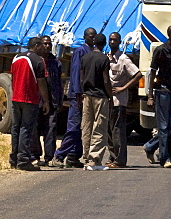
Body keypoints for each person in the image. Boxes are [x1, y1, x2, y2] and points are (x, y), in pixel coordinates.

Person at [143, 25, 171, 168]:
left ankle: (150, 146)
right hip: (162, 91)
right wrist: (150, 95)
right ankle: (164, 159)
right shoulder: (161, 50)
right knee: (163, 126)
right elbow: (153, 73)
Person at [54, 27, 95, 168]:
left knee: (81, 127)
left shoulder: (92, 51)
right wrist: (78, 93)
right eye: (90, 36)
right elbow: (76, 72)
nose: (93, 38)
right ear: (85, 37)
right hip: (77, 95)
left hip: (88, 95)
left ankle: (73, 156)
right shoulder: (80, 51)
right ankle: (59, 155)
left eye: (94, 36)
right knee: (73, 126)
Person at [9, 37, 50, 171]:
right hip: (29, 99)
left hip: (16, 98)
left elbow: (12, 77)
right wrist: (46, 101)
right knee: (26, 129)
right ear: (37, 46)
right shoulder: (38, 60)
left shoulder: (16, 58)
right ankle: (23, 160)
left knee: (16, 128)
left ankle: (14, 159)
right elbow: (41, 82)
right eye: (41, 46)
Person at [107, 32, 141, 168]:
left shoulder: (123, 59)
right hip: (109, 100)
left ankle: (120, 160)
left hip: (119, 100)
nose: (112, 42)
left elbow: (138, 74)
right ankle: (112, 157)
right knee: (109, 131)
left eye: (115, 40)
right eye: (110, 39)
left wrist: (123, 88)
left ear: (119, 42)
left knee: (118, 131)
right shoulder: (107, 57)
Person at [79, 36, 113, 170]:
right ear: (105, 44)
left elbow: (81, 78)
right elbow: (106, 80)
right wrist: (110, 96)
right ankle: (95, 160)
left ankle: (86, 157)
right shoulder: (104, 59)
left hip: (87, 95)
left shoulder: (85, 58)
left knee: (86, 126)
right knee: (99, 127)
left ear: (94, 43)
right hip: (100, 96)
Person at [31, 35, 62, 167]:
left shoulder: (56, 62)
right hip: (36, 101)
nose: (47, 46)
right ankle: (35, 156)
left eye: (49, 44)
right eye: (45, 44)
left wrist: (59, 100)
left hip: (52, 101)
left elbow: (58, 83)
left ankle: (49, 157)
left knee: (50, 129)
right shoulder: (34, 61)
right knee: (35, 129)